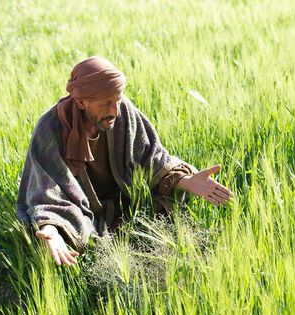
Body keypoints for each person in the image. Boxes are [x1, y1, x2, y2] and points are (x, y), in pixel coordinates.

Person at [16, 56, 233, 267]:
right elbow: (45, 191)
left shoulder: (122, 111)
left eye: (117, 101)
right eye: (105, 104)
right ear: (81, 102)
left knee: (167, 206)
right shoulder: (50, 128)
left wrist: (186, 181)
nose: (114, 111)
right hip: (80, 210)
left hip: (125, 203)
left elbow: (152, 157)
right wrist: (52, 231)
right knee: (68, 238)